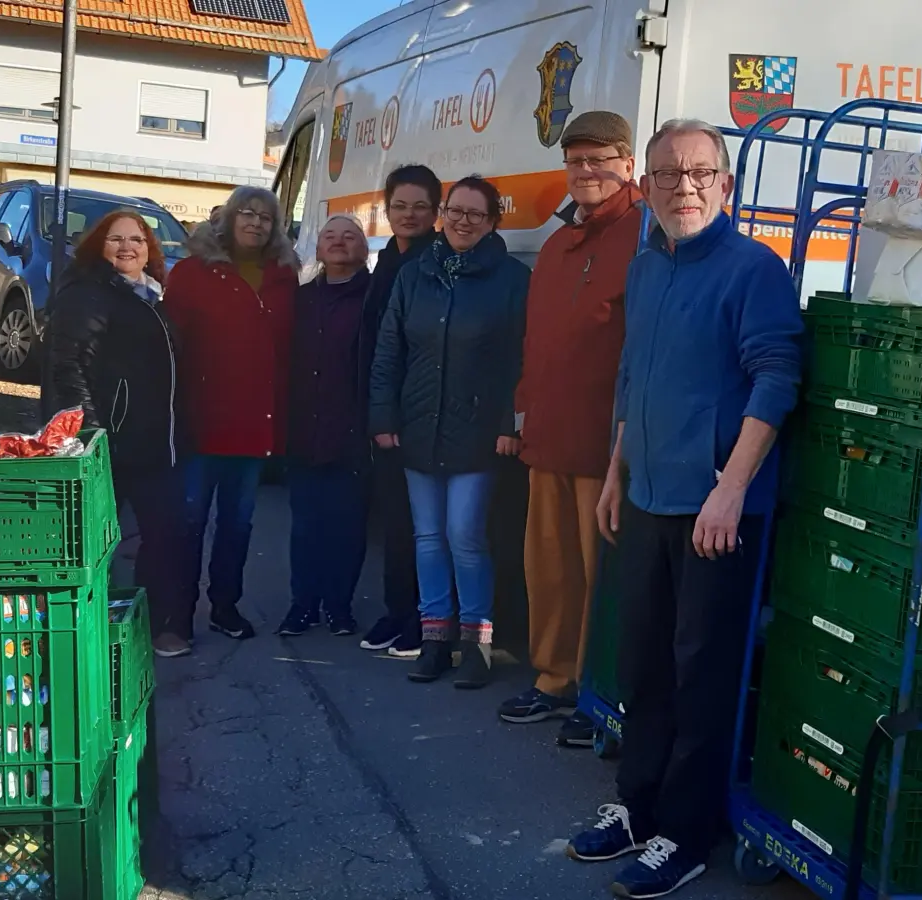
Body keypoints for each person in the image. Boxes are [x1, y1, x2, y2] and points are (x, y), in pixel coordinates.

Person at [564, 119, 802, 898]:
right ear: (650, 185)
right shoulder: (646, 268)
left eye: (701, 173)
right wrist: (613, 472)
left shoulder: (753, 269)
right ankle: (638, 810)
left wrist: (730, 488)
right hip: (646, 497)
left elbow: (775, 380)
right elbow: (634, 377)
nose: (684, 187)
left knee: (702, 673)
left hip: (717, 513)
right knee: (644, 662)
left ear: (725, 186)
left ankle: (687, 833)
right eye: (667, 174)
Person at [499, 111, 644, 747]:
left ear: (628, 164)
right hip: (551, 439)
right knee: (551, 571)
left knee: (602, 580)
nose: (586, 171)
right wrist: (524, 417)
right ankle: (554, 678)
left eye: (600, 159)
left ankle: (597, 692)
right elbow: (537, 343)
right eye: (576, 160)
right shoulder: (558, 244)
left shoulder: (647, 236)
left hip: (607, 448)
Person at [369, 175, 529, 689]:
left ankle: (476, 643)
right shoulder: (415, 274)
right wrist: (383, 416)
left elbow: (522, 360)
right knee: (428, 538)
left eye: (475, 214)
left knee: (464, 536)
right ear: (443, 216)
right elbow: (389, 350)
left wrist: (509, 423)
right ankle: (434, 640)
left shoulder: (511, 279)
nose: (463, 221)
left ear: (491, 221)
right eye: (455, 211)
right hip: (417, 426)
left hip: (478, 431)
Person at [45, 210, 191, 657]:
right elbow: (67, 366)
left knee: (166, 533)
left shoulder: (149, 296)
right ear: (97, 246)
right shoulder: (88, 294)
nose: (128, 247)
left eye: (138, 239)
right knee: (97, 538)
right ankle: (87, 630)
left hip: (153, 443)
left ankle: (158, 625)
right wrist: (92, 434)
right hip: (108, 443)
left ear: (150, 249)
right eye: (116, 239)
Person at [164, 188, 300, 640]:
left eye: (266, 217)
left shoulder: (283, 277)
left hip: (254, 426)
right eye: (248, 213)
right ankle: (178, 618)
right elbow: (170, 348)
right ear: (227, 218)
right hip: (201, 424)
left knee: (238, 525)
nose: (256, 223)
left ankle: (226, 606)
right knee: (188, 523)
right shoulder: (190, 273)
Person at [358, 164, 443, 658]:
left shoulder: (433, 263)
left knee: (421, 528)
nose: (409, 215)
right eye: (399, 206)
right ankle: (397, 611)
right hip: (386, 414)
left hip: (418, 416)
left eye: (420, 206)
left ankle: (421, 620)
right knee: (395, 521)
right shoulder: (389, 257)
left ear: (436, 212)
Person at [279, 215, 373, 637]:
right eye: (330, 236)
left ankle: (339, 606)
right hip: (302, 430)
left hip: (352, 432)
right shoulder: (299, 300)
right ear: (317, 250)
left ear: (363, 249)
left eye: (349, 236)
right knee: (305, 526)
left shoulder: (374, 299)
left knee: (347, 526)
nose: (338, 243)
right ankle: (303, 605)